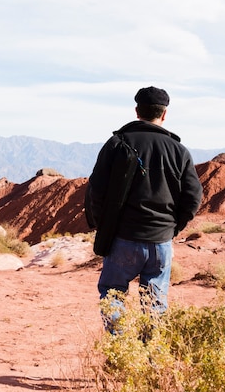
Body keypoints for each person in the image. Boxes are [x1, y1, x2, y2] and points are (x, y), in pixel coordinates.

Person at [85, 86, 203, 333]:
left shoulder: (118, 143)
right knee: (155, 302)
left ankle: (120, 351)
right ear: (164, 114)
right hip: (161, 243)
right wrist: (172, 228)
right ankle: (150, 358)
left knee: (113, 294)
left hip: (122, 239)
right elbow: (193, 198)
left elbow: (95, 190)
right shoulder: (179, 150)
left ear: (137, 111)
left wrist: (103, 224)